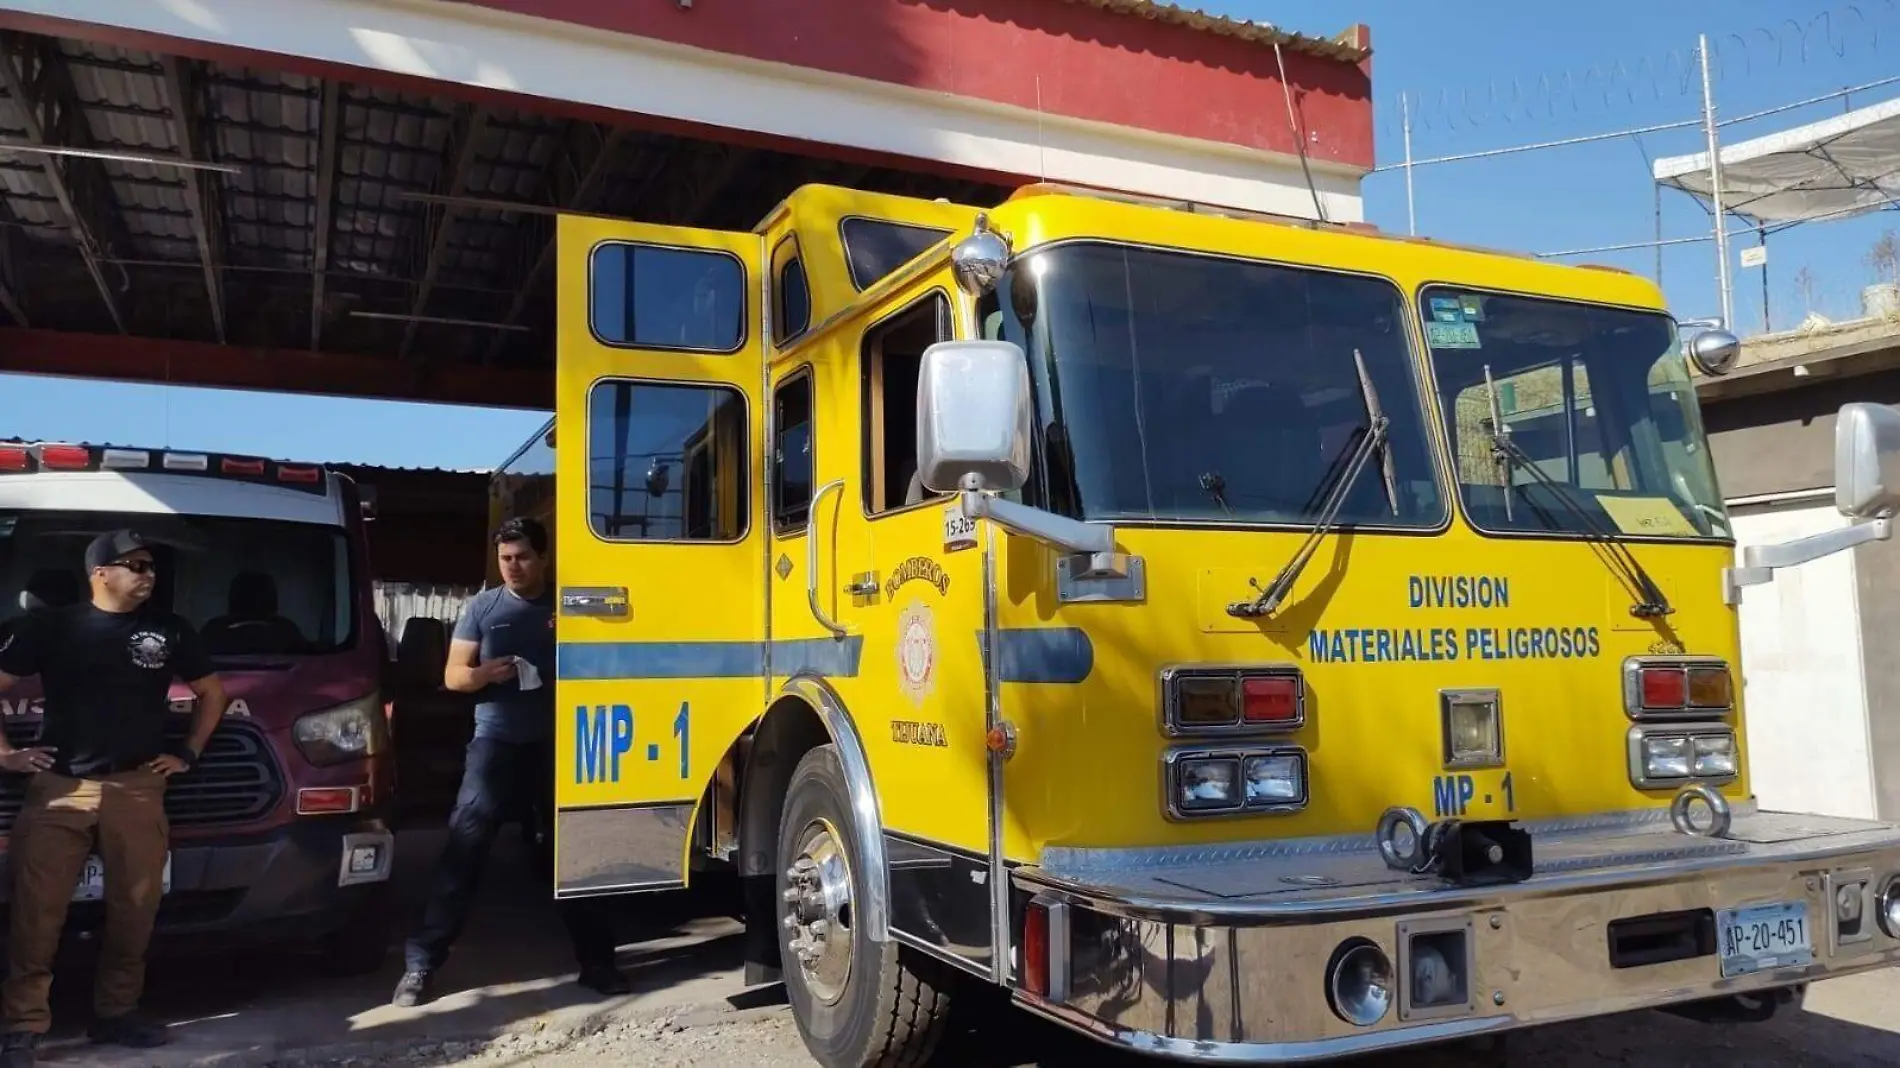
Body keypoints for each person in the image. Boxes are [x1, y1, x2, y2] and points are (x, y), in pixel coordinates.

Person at [0, 530, 227, 1067]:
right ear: (99, 572)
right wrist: (6, 754)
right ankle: (22, 1027)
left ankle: (116, 1014)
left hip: (137, 789)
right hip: (60, 789)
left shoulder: (168, 631)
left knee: (135, 911)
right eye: (135, 565)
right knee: (37, 915)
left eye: (151, 566)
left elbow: (213, 693)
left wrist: (188, 754)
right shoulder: (51, 627)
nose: (147, 574)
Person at [394, 517, 629, 1007]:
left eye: (522, 557)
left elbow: (614, 652)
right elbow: (454, 677)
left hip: (560, 746)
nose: (513, 567)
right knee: (465, 845)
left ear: (543, 558)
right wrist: (485, 673)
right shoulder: (483, 607)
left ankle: (599, 964)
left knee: (575, 855)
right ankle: (420, 965)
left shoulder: (569, 603)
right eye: (505, 559)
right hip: (495, 744)